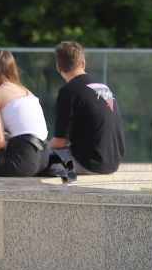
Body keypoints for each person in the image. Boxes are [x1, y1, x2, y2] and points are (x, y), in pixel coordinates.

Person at [41, 40, 124, 177]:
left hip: (89, 163)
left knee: (32, 161)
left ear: (58, 67)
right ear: (83, 63)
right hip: (113, 162)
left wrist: (42, 151)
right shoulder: (103, 87)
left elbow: (60, 142)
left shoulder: (69, 91)